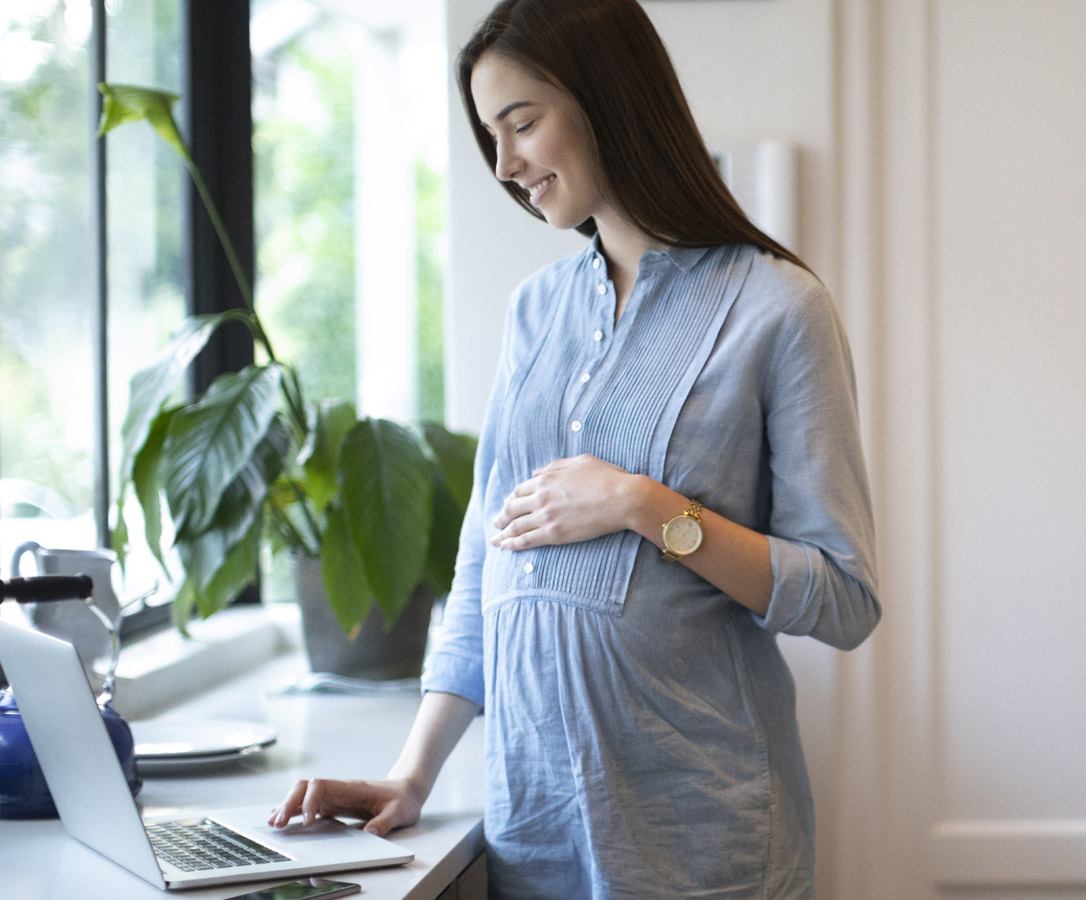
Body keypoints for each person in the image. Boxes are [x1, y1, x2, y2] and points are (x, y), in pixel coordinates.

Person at [265, 1, 881, 896]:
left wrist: (644, 505)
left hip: (704, 831)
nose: (507, 166)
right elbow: (484, 562)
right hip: (537, 825)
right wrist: (413, 772)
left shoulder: (778, 307)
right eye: (491, 135)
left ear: (610, 100)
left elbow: (845, 597)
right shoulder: (535, 312)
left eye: (523, 123)